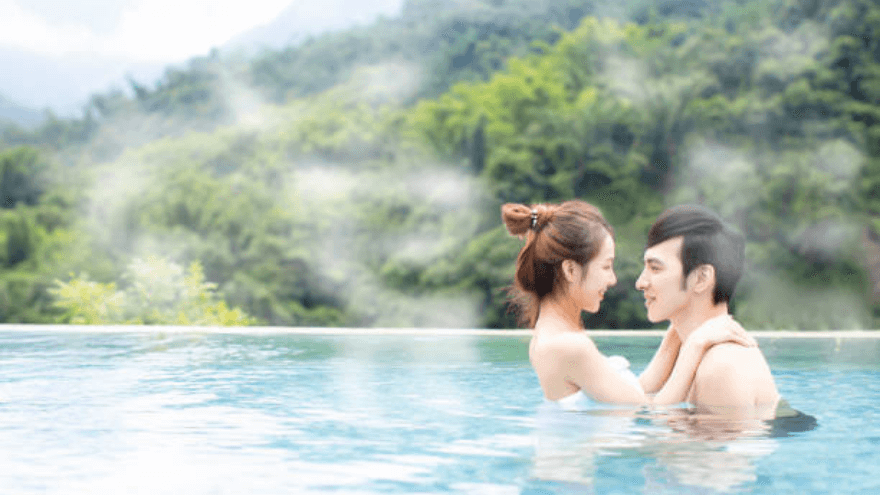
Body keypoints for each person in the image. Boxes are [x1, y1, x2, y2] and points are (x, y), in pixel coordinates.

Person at [501, 200, 754, 408]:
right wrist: (696, 345)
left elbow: (633, 392)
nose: (612, 279)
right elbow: (648, 411)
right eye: (606, 266)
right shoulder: (571, 347)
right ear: (570, 270)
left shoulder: (551, 336)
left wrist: (680, 324)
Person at [635, 204, 780, 419]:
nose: (640, 283)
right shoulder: (686, 350)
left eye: (655, 268)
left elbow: (664, 441)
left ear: (701, 278)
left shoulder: (721, 367)